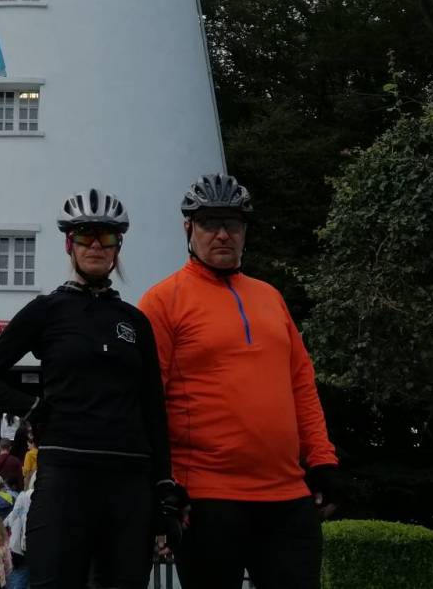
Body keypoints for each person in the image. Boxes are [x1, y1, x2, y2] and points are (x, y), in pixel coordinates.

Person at [0, 189, 177, 589]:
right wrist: (34, 408)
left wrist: (164, 484)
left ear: (118, 246)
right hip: (66, 476)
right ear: (69, 243)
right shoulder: (47, 310)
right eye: (85, 235)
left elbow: (153, 407)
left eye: (106, 236)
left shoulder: (134, 321)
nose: (96, 245)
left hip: (129, 481)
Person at [138, 174, 340, 589]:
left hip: (287, 495)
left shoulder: (270, 297)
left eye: (232, 223)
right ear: (188, 228)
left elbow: (301, 385)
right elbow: (146, 401)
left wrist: (322, 461)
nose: (222, 234)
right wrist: (160, 483)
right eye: (210, 222)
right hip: (206, 495)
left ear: (245, 231)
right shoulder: (162, 301)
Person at [3, 481, 32, 589]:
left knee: (17, 577)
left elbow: (6, 522)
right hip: (24, 548)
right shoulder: (29, 500)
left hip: (15, 548)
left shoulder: (20, 501)